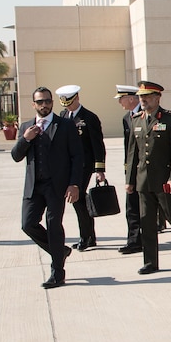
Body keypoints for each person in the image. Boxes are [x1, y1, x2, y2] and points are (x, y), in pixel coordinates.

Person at [11, 87, 85, 288]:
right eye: (40, 102)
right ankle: (61, 251)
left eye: (47, 101)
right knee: (27, 224)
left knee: (53, 226)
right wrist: (26, 139)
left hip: (57, 186)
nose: (44, 105)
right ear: (33, 104)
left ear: (52, 102)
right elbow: (16, 156)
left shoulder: (65, 125)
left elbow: (77, 157)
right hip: (34, 187)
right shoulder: (27, 126)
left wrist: (74, 184)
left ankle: (57, 273)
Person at [124, 80, 171, 275]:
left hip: (165, 180)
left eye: (147, 97)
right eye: (141, 97)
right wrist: (130, 180)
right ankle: (150, 262)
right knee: (146, 222)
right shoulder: (137, 120)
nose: (143, 100)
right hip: (143, 181)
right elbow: (132, 153)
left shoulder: (170, 119)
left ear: (157, 98)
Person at [56, 85, 106, 251]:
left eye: (69, 103)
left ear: (77, 98)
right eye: (65, 104)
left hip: (84, 165)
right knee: (80, 202)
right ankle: (89, 236)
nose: (67, 107)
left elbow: (97, 145)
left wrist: (99, 169)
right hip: (67, 166)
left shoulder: (89, 117)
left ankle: (86, 237)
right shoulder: (63, 115)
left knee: (77, 200)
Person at [114, 85, 144, 253]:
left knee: (164, 206)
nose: (119, 102)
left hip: (151, 169)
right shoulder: (127, 118)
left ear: (131, 98)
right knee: (131, 206)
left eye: (121, 98)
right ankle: (134, 241)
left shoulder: (148, 113)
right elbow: (128, 148)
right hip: (132, 169)